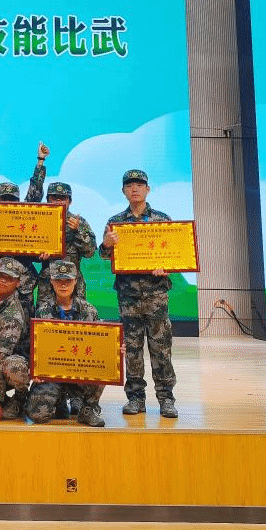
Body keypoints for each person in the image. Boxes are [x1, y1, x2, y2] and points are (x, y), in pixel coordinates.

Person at [99, 168, 178, 419]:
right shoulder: (115, 222)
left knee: (161, 348)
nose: (135, 189)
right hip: (128, 296)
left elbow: (174, 254)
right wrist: (107, 244)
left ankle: (166, 398)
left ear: (148, 189)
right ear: (123, 191)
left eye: (139, 185)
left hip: (156, 296)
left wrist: (166, 267)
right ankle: (135, 398)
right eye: (129, 185)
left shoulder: (162, 220)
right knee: (132, 349)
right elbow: (104, 255)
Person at [25, 260, 106, 427]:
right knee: (37, 415)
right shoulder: (42, 311)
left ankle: (88, 408)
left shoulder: (89, 311)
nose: (63, 285)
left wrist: (113, 348)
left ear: (75, 281)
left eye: (68, 280)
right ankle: (59, 400)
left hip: (81, 373)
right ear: (51, 281)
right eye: (59, 280)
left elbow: (99, 345)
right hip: (53, 374)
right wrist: (36, 368)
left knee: (107, 367)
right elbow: (37, 346)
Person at [27, 142, 98, 309]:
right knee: (45, 320)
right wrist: (39, 255)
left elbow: (89, 252)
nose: (58, 201)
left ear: (70, 201)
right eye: (54, 198)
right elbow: (29, 250)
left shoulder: (79, 222)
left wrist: (77, 231)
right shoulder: (40, 221)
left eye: (62, 198)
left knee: (74, 321)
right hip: (48, 282)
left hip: (73, 283)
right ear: (47, 200)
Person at [0, 180, 39, 312]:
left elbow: (37, 255)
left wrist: (44, 254)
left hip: (24, 284)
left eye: (12, 199)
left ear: (18, 202)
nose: (7, 202)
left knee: (25, 320)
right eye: (3, 199)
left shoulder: (28, 223)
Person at [0, 257, 31, 420]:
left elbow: (1, 356)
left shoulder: (13, 316)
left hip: (7, 361)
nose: (3, 281)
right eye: (1, 275)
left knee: (13, 367)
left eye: (9, 278)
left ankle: (20, 398)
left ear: (18, 283)